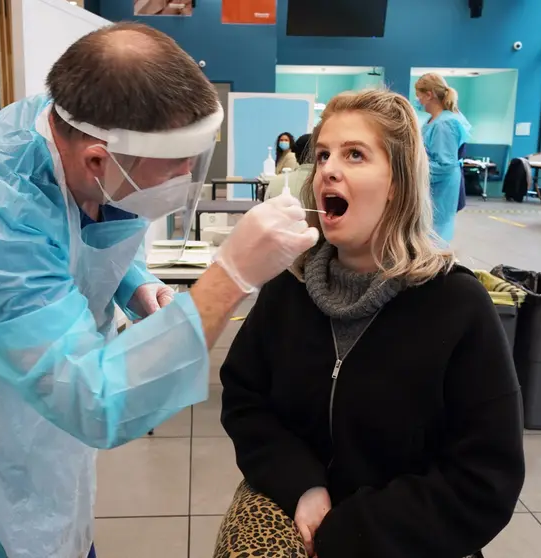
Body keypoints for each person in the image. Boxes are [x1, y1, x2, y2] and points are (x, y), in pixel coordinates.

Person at [0, 23, 318, 558]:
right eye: (177, 163)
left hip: (53, 345)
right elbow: (97, 403)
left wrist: (139, 285)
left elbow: (79, 232)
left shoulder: (74, 121)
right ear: (98, 159)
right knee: (21, 522)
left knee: (66, 505)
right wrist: (231, 276)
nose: (187, 173)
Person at [220, 89, 525, 558]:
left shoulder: (457, 305)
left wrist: (353, 531)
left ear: (398, 183)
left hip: (408, 538)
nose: (328, 169)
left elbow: (485, 476)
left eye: (354, 155)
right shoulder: (288, 290)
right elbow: (244, 398)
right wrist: (300, 485)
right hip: (293, 507)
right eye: (322, 155)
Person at [415, 73, 471, 243]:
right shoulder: (434, 120)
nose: (417, 99)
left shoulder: (445, 123)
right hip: (432, 185)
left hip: (441, 187)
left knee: (434, 234)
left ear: (429, 94)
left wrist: (413, 171)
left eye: (418, 95)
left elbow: (444, 164)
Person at [265, 133, 313, 200]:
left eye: (286, 140)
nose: (283, 142)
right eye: (281, 140)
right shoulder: (281, 156)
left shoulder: (290, 157)